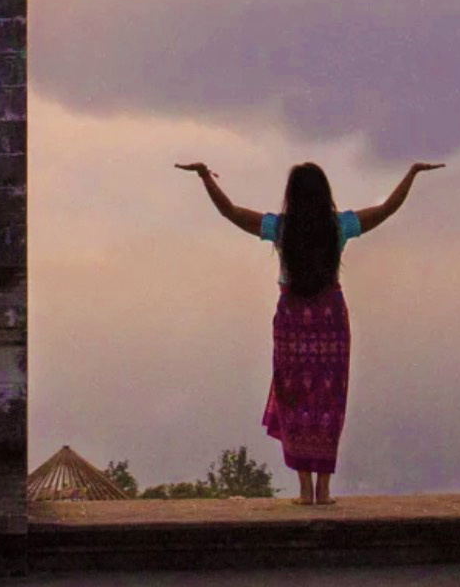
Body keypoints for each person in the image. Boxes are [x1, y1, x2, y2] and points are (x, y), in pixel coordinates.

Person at [173, 156, 444, 505]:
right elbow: (387, 209)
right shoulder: (339, 226)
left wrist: (204, 177)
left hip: (292, 321)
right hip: (330, 319)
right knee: (328, 401)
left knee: (296, 399)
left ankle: (304, 488)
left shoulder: (281, 228)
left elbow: (230, 211)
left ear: (292, 195)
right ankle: (324, 489)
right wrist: (411, 174)